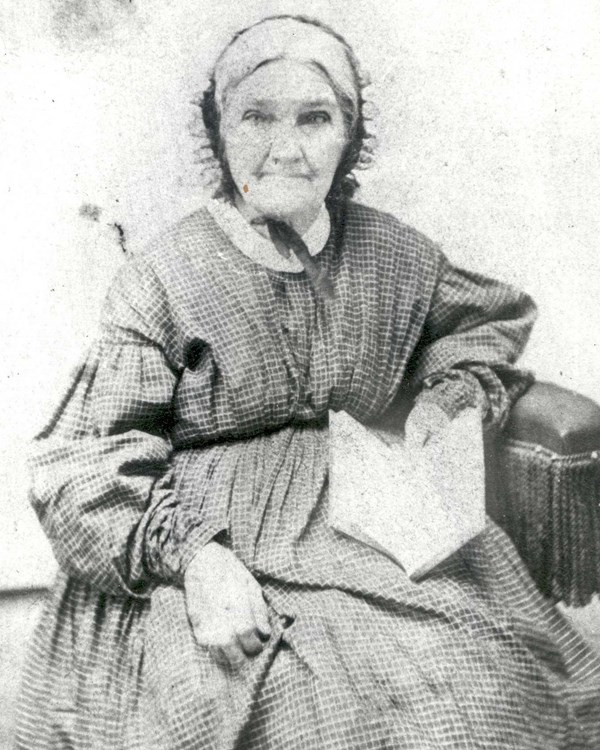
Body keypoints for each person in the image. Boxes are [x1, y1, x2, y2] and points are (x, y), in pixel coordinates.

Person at [16, 14, 600, 750]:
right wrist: (194, 560)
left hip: (363, 521)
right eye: (255, 116)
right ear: (217, 130)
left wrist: (446, 397)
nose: (286, 148)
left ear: (349, 137)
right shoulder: (161, 278)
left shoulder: (390, 251)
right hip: (204, 539)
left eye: (315, 118)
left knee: (476, 691)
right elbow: (86, 459)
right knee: (281, 707)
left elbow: (488, 322)